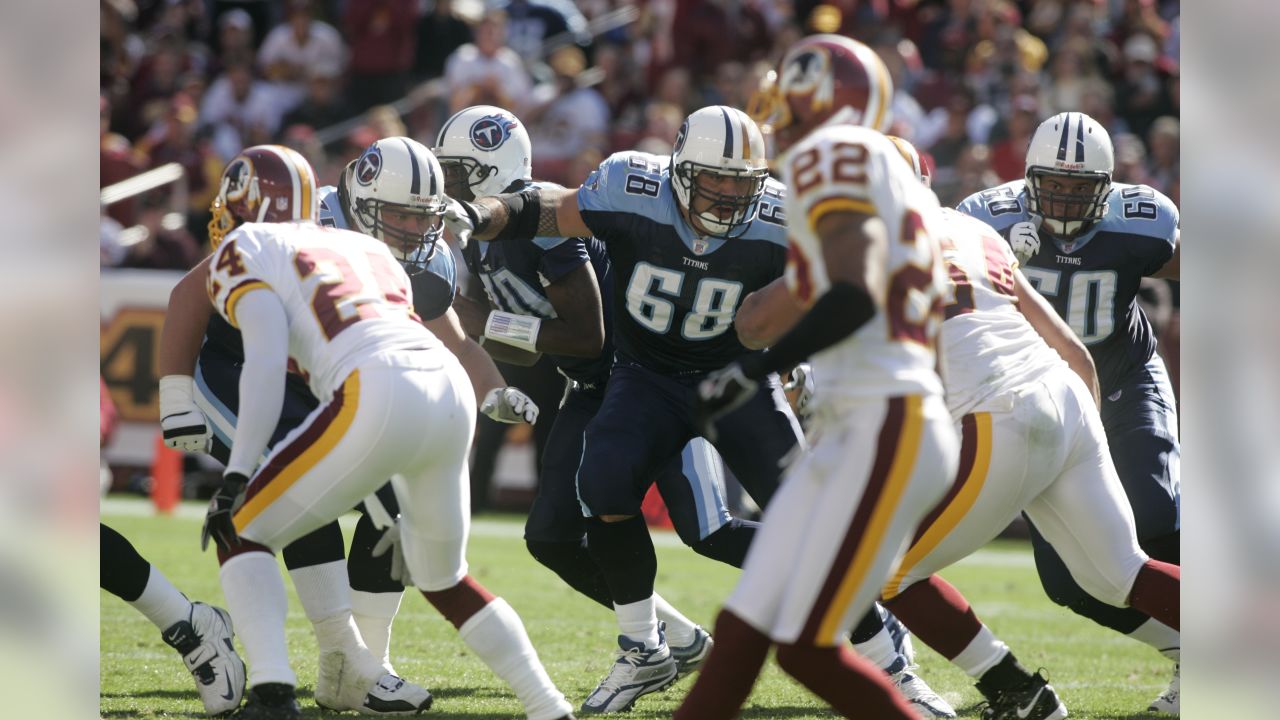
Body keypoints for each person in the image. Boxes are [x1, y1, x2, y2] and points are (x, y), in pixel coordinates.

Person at [735, 134, 1183, 720]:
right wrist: (1072, 447)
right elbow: (1072, 349)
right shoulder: (975, 232)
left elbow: (751, 325)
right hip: (1067, 396)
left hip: (1003, 414)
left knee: (884, 571)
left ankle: (1018, 694)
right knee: (1121, 573)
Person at [189, 144, 574, 720]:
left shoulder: (251, 244)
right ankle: (549, 707)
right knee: (446, 580)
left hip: (378, 387)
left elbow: (266, 365)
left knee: (240, 533)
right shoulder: (371, 249)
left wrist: (238, 477)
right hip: (446, 391)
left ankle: (272, 697)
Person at [674, 35, 956, 720]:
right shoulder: (882, 172)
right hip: (862, 419)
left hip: (883, 418)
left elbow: (855, 291)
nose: (777, 105)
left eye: (794, 88)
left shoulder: (835, 154)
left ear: (825, 97)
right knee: (746, 624)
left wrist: (754, 369)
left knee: (804, 646)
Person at [957, 111, 1181, 714]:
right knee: (1068, 581)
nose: (1061, 199)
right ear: (1027, 177)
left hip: (1118, 381)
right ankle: (1191, 654)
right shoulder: (985, 218)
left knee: (1156, 511)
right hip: (1044, 397)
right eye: (1051, 184)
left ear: (1106, 189)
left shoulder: (1144, 222)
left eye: (1079, 189)